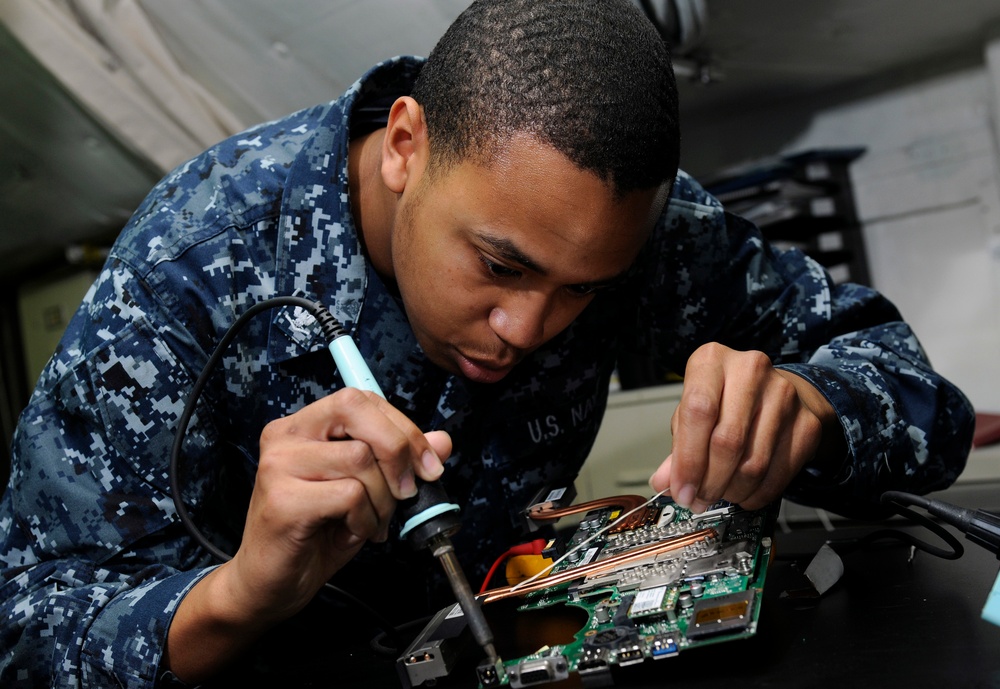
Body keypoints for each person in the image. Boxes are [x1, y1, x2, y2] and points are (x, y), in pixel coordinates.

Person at [0, 0, 974, 686]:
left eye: (583, 290)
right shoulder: (188, 267)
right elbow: (31, 628)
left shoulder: (644, 229)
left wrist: (813, 407)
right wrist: (234, 596)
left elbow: (923, 402)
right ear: (406, 144)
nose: (530, 328)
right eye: (500, 267)